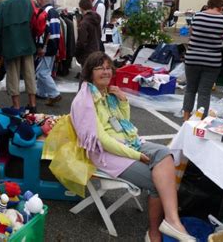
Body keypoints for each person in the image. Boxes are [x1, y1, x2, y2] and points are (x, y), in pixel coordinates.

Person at [71, 51, 195, 242]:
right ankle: (154, 232)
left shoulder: (107, 93)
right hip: (105, 155)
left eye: (108, 68)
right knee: (156, 183)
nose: (105, 72)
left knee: (165, 154)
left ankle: (171, 220)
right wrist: (135, 155)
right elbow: (102, 141)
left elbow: (123, 123)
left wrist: (123, 100)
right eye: (100, 68)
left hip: (127, 143)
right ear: (89, 72)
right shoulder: (85, 100)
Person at [0, 0, 37, 113]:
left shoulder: (3, 5)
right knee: (30, 74)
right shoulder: (29, 2)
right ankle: (32, 104)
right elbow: (33, 22)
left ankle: (17, 106)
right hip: (27, 43)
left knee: (13, 76)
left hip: (10, 46)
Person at [182, 0, 223, 120]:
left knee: (190, 89)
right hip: (212, 60)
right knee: (204, 92)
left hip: (192, 57)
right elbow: (222, 36)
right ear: (221, 7)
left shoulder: (197, 16)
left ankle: (186, 118)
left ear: (209, 4)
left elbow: (191, 33)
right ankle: (200, 120)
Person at [35, 0, 62, 106]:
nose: (36, 2)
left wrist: (42, 47)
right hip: (53, 45)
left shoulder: (45, 12)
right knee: (44, 70)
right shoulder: (53, 11)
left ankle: (54, 94)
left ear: (41, 0)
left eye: (37, 0)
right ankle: (42, 93)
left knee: (42, 72)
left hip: (48, 46)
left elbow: (44, 32)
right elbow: (56, 33)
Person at [75, 0, 101, 67]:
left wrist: (76, 52)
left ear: (81, 8)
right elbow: (100, 35)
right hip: (96, 51)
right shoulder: (96, 18)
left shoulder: (84, 22)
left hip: (87, 55)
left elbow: (82, 41)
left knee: (86, 76)